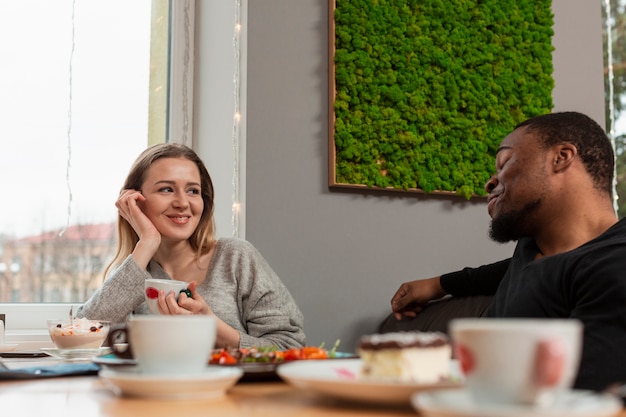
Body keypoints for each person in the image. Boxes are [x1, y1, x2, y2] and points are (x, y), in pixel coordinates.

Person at [390, 111, 626, 392]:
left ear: (561, 157)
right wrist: (438, 284)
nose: (490, 182)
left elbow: (589, 402)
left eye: (504, 162)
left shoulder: (615, 266)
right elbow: (507, 273)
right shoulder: (535, 247)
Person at [77, 143, 306, 350]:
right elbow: (81, 337)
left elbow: (290, 346)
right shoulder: (132, 274)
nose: (182, 203)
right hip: (153, 396)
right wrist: (146, 243)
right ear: (135, 201)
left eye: (193, 191)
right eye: (166, 189)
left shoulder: (236, 257)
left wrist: (214, 329)